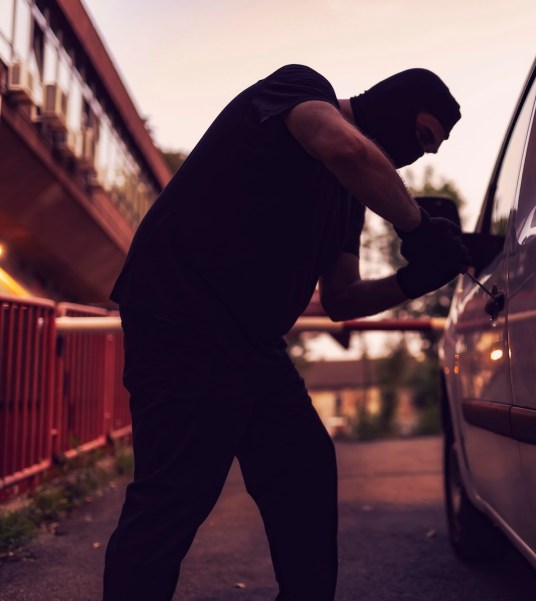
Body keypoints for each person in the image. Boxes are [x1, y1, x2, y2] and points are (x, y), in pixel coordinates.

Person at [103, 64, 468, 601]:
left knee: (306, 478)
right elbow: (343, 149)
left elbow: (343, 299)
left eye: (428, 150)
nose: (415, 156)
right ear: (392, 105)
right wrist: (415, 226)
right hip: (180, 316)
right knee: (174, 497)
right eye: (419, 137)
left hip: (255, 343)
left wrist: (414, 280)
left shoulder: (347, 199)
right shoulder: (299, 90)